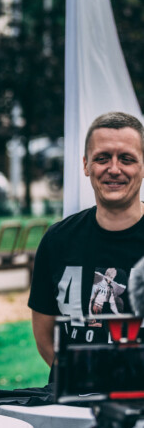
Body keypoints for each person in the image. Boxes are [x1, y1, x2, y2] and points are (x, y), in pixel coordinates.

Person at [29, 111, 144, 368]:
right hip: (75, 402)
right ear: (85, 165)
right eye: (102, 158)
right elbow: (45, 336)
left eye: (126, 159)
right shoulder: (58, 240)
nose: (114, 169)